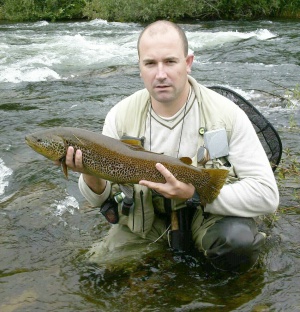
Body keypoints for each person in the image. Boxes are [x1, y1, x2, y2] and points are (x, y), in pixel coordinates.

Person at [64, 20, 279, 272]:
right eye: (150, 64)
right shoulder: (119, 116)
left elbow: (267, 195)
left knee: (237, 244)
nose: (161, 74)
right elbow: (103, 197)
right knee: (96, 271)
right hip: (146, 222)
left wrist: (195, 194)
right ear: (139, 67)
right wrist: (89, 171)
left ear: (188, 63)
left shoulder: (227, 115)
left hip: (207, 217)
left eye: (170, 61)